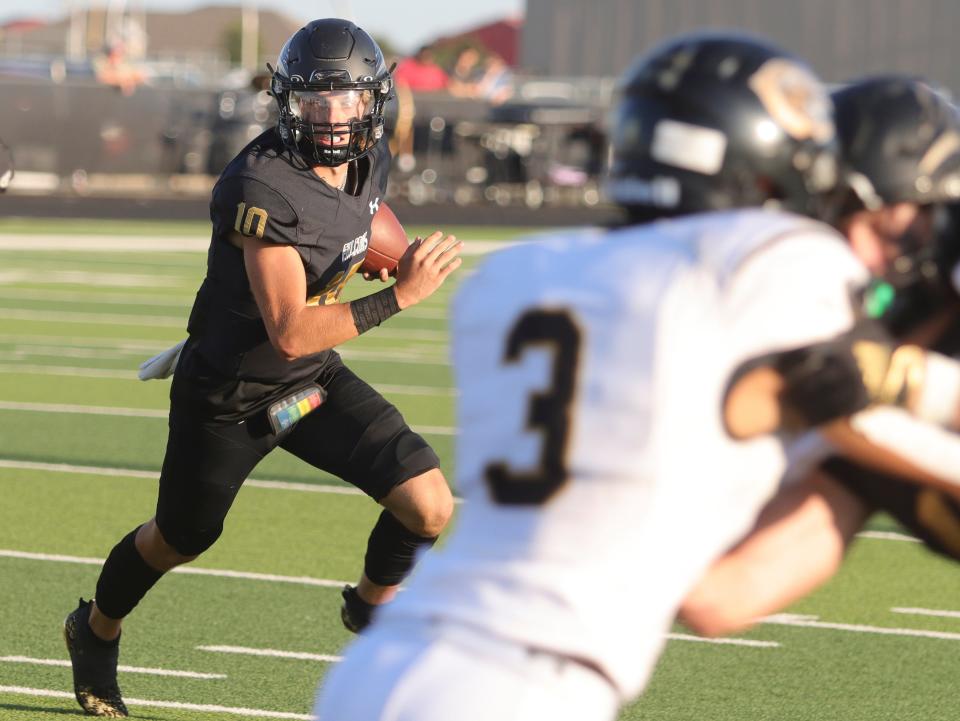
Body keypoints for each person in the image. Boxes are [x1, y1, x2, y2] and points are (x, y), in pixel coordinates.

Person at [314, 34, 960, 721]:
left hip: (389, 663)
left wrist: (849, 470)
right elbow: (850, 387)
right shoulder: (773, 264)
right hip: (524, 686)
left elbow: (719, 593)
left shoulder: (520, 277)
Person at [62, 18, 461, 718]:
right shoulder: (262, 184)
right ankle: (94, 630)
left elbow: (360, 217)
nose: (330, 116)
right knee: (180, 537)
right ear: (288, 102)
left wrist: (390, 251)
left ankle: (371, 610)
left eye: (344, 99)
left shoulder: (370, 161)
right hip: (233, 394)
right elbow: (290, 329)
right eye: (314, 100)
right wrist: (399, 294)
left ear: (371, 102)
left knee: (428, 503)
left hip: (307, 387)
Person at [680, 75, 960, 637]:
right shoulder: (850, 371)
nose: (843, 249)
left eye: (871, 218)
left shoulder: (867, 367)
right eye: (826, 216)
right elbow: (722, 596)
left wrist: (892, 386)